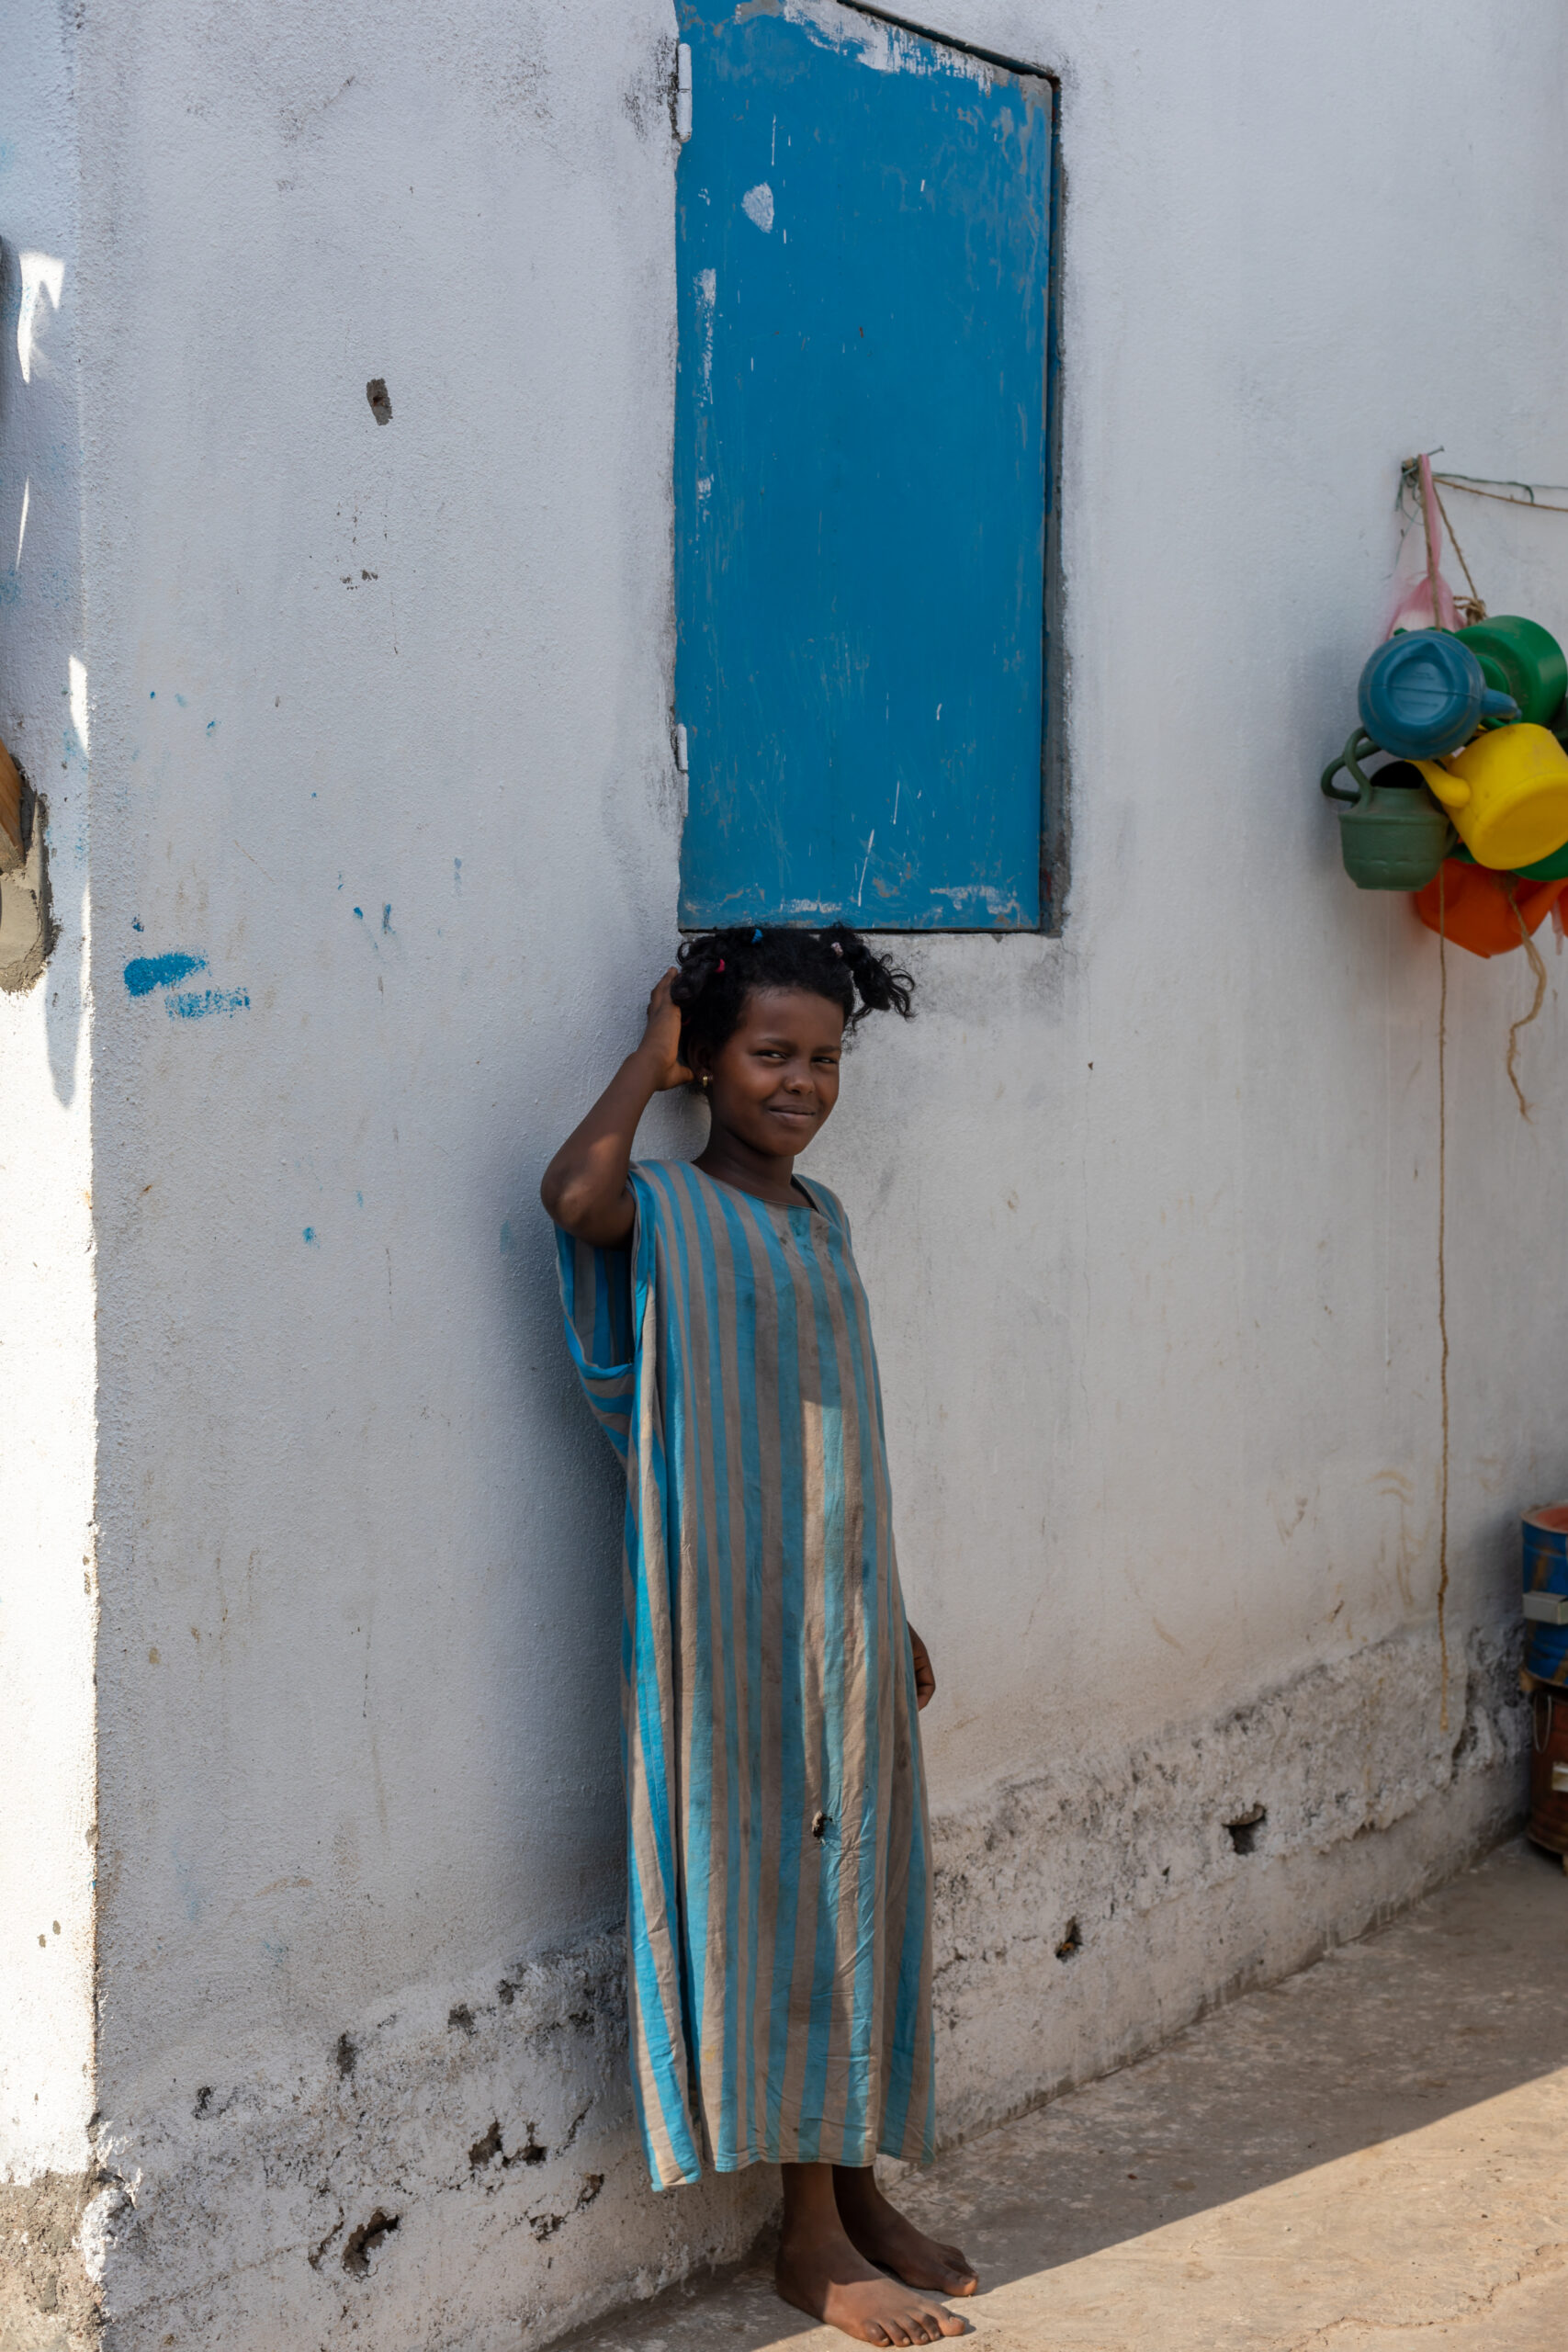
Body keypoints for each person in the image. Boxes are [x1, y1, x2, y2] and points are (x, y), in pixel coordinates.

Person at [540, 925, 976, 2347]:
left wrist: (886, 1601)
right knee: (777, 1910)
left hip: (842, 1623)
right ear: (709, 1066)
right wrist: (643, 1057)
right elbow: (571, 1194)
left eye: (824, 1057)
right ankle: (805, 2242)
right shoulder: (669, 1204)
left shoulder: (821, 1216)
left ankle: (858, 2194)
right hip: (727, 1622)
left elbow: (835, 1430)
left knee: (866, 1893)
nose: (802, 1082)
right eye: (769, 1055)